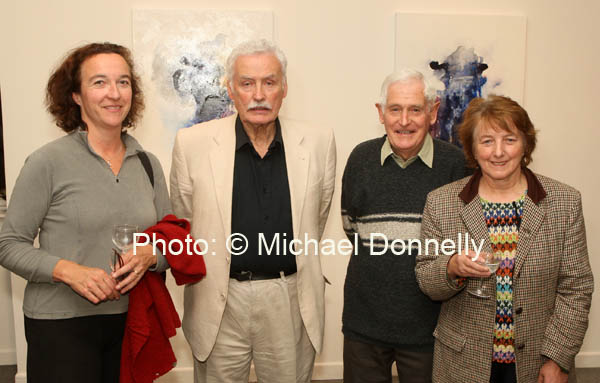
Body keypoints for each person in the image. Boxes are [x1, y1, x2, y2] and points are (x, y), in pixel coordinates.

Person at [0, 42, 171, 382]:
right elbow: (8, 243)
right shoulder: (47, 162)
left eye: (123, 82)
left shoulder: (148, 164)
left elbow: (172, 242)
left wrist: (151, 255)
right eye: (99, 82)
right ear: (75, 95)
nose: (114, 93)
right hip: (60, 325)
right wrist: (67, 271)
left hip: (131, 322)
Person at [170, 39, 336, 383]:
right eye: (247, 83)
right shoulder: (192, 144)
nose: (258, 94)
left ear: (284, 88)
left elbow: (315, 220)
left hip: (288, 298)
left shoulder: (319, 142)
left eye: (269, 82)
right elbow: (185, 219)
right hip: (219, 299)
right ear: (230, 89)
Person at [415, 95, 594, 383]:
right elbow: (426, 279)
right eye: (486, 141)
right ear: (473, 148)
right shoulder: (441, 202)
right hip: (463, 363)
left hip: (538, 363)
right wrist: (451, 267)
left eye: (509, 139)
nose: (498, 152)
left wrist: (557, 359)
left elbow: (576, 289)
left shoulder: (564, 202)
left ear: (525, 144)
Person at [341, 69, 468, 382]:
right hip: (365, 323)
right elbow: (350, 226)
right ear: (381, 113)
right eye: (395, 109)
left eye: (415, 109)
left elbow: (462, 238)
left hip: (431, 325)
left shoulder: (455, 164)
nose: (404, 121)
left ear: (433, 112)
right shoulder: (360, 158)